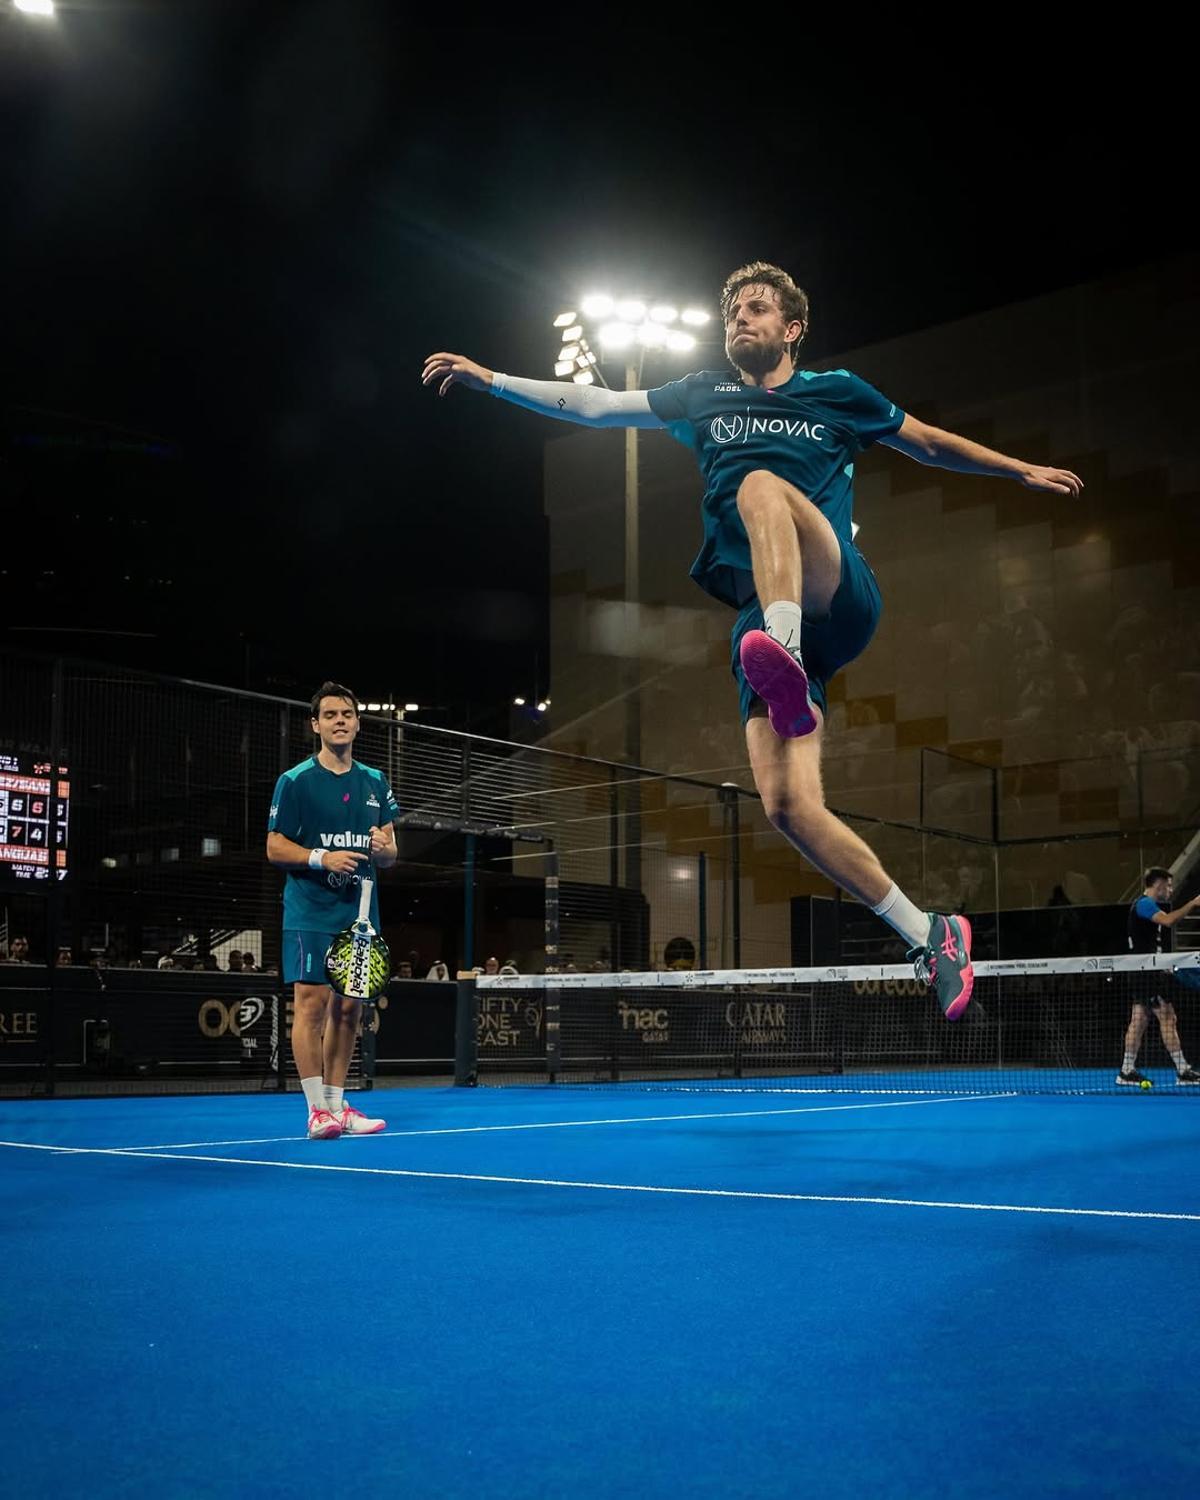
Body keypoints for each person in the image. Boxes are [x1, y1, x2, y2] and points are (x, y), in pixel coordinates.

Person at [423, 262, 1086, 1019]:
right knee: (787, 806)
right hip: (760, 622)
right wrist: (493, 379)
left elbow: (928, 443)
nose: (741, 317)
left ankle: (788, 658)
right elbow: (599, 404)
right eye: (733, 309)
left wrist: (1019, 469)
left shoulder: (840, 392)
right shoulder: (702, 394)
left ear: (792, 328)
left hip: (834, 591)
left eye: (758, 307)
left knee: (760, 488)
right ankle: (929, 933)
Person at [267, 681, 400, 1138]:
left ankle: (337, 1105)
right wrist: (321, 858)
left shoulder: (375, 782)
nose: (339, 720)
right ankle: (315, 1110)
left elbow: (389, 852)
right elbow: (274, 845)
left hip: (359, 912)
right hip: (310, 908)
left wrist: (384, 849)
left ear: (358, 723)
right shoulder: (295, 781)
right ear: (316, 725)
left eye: (346, 713)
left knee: (349, 1010)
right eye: (330, 715)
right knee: (311, 1004)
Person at [1118, 866, 1200, 1085]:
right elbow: (1168, 920)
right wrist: (1192, 903)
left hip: (1145, 971)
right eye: (1169, 885)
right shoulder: (1144, 904)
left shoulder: (1148, 906)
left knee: (1139, 1020)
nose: (1171, 889)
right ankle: (1183, 1071)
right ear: (1158, 884)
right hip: (1144, 972)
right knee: (1167, 1016)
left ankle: (1126, 1071)